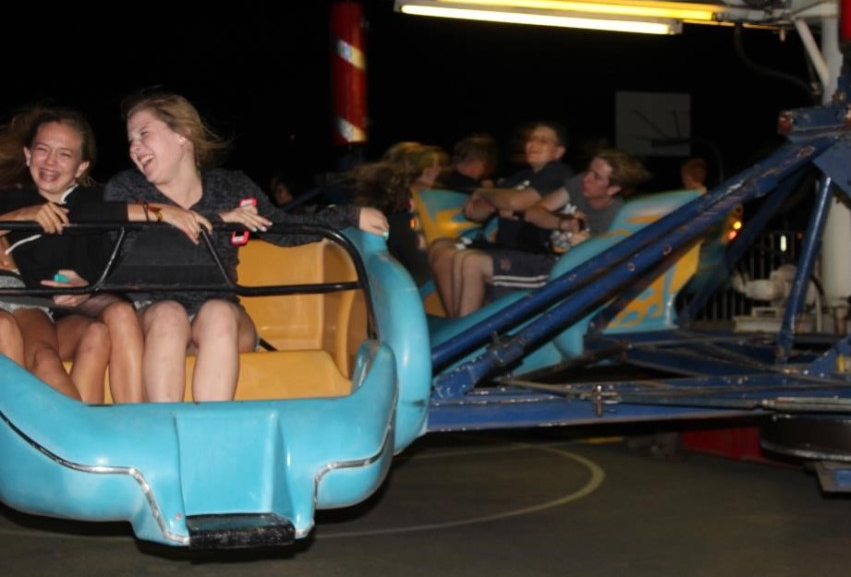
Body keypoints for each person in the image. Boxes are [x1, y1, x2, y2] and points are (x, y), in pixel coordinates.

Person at [104, 91, 389, 403]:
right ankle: (163, 430)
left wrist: (351, 214)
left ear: (182, 134)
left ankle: (214, 435)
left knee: (218, 313)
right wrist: (219, 220)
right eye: (130, 140)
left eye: (144, 133)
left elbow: (282, 231)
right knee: (169, 316)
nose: (134, 148)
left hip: (220, 318)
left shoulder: (232, 187)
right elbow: (129, 252)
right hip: (154, 314)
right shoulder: (127, 188)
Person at [0, 106, 144, 403]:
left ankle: (132, 419)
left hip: (63, 306)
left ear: (81, 167)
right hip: (31, 304)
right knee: (40, 351)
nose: (51, 161)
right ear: (28, 155)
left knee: (105, 326)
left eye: (64, 154)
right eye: (43, 150)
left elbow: (119, 262)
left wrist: (89, 285)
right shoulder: (13, 200)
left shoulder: (98, 204)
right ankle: (85, 435)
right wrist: (21, 215)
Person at [428, 121, 573, 317]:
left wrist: (487, 193)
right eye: (532, 139)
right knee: (440, 248)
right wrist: (496, 199)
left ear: (558, 152)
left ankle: (467, 334)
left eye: (544, 140)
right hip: (504, 246)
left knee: (467, 259)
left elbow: (514, 201)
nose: (534, 144)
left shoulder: (557, 173)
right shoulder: (521, 177)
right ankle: (456, 323)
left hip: (533, 252)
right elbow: (476, 212)